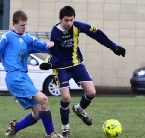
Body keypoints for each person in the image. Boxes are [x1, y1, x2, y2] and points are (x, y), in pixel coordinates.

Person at [39, 6, 126, 138]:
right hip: (62, 68)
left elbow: (97, 34)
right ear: (60, 19)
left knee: (91, 92)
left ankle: (79, 109)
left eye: (71, 20)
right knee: (66, 97)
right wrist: (49, 64)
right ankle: (65, 129)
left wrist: (114, 47)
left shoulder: (77, 26)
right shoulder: (55, 32)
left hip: (77, 65)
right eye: (66, 20)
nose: (69, 23)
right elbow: (56, 54)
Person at [0, 10, 64, 138]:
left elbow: (42, 46)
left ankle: (15, 128)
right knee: (44, 99)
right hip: (14, 77)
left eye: (26, 25)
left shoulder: (27, 38)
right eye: (22, 25)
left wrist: (51, 45)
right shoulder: (7, 37)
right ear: (13, 24)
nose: (24, 27)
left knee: (37, 114)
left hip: (24, 77)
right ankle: (51, 134)